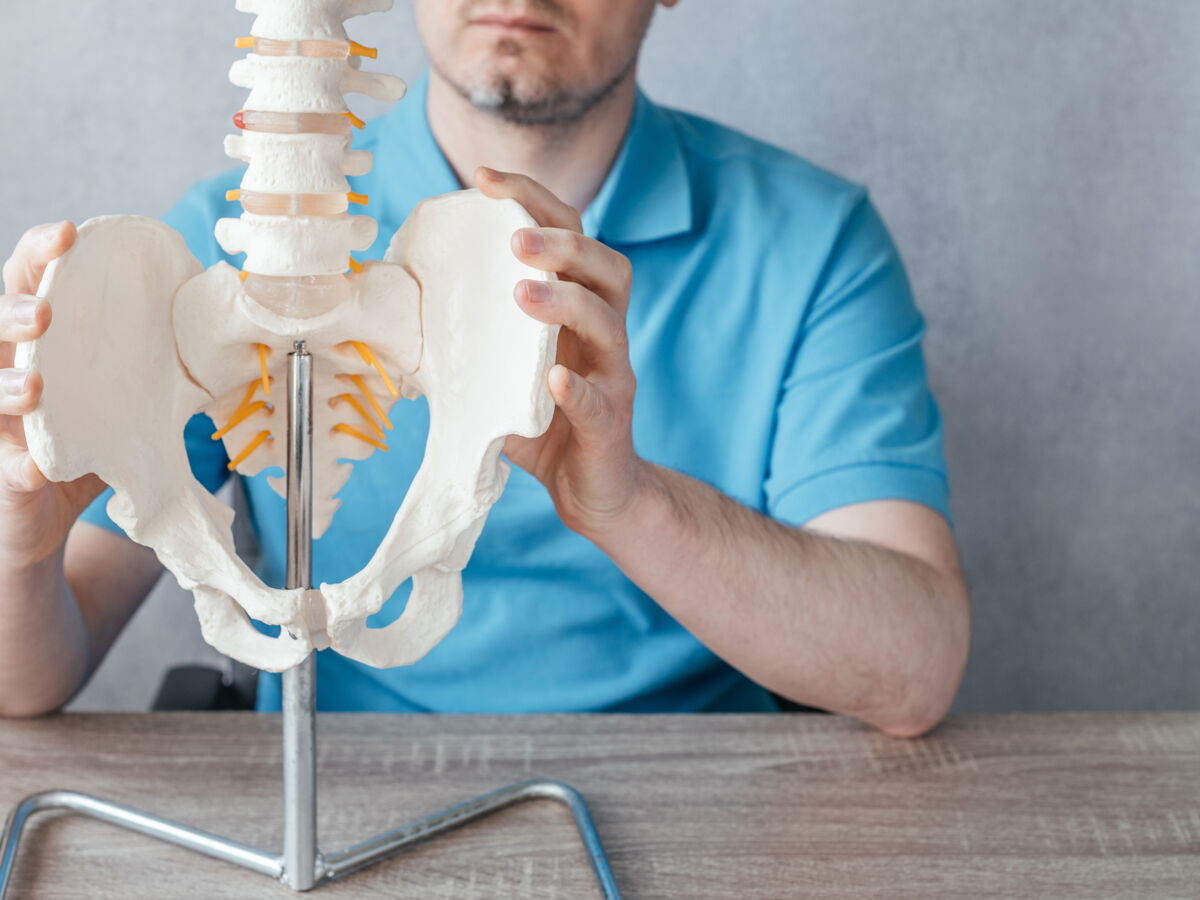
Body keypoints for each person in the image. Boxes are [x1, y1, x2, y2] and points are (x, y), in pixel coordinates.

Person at [0, 0, 969, 736]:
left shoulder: (811, 243)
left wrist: (628, 503)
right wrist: (18, 547)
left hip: (694, 795)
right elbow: (29, 678)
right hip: (344, 787)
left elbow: (915, 669)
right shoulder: (218, 248)